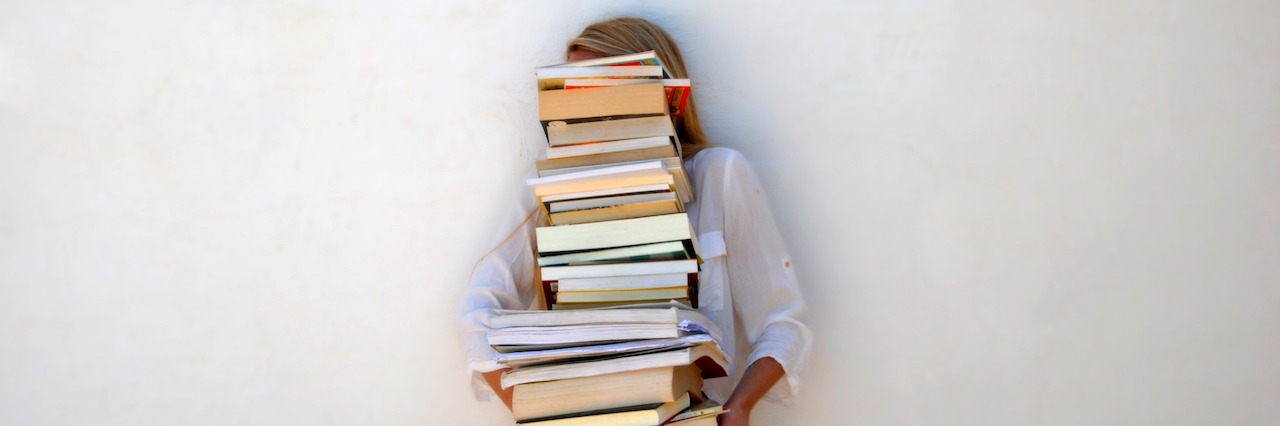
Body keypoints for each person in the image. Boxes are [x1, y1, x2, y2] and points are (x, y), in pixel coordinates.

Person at [458, 17, 812, 426]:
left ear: (662, 97)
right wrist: (533, 411)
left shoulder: (719, 174)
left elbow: (784, 323)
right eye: (573, 95)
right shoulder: (545, 186)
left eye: (604, 92)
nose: (589, 112)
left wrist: (739, 407)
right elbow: (477, 313)